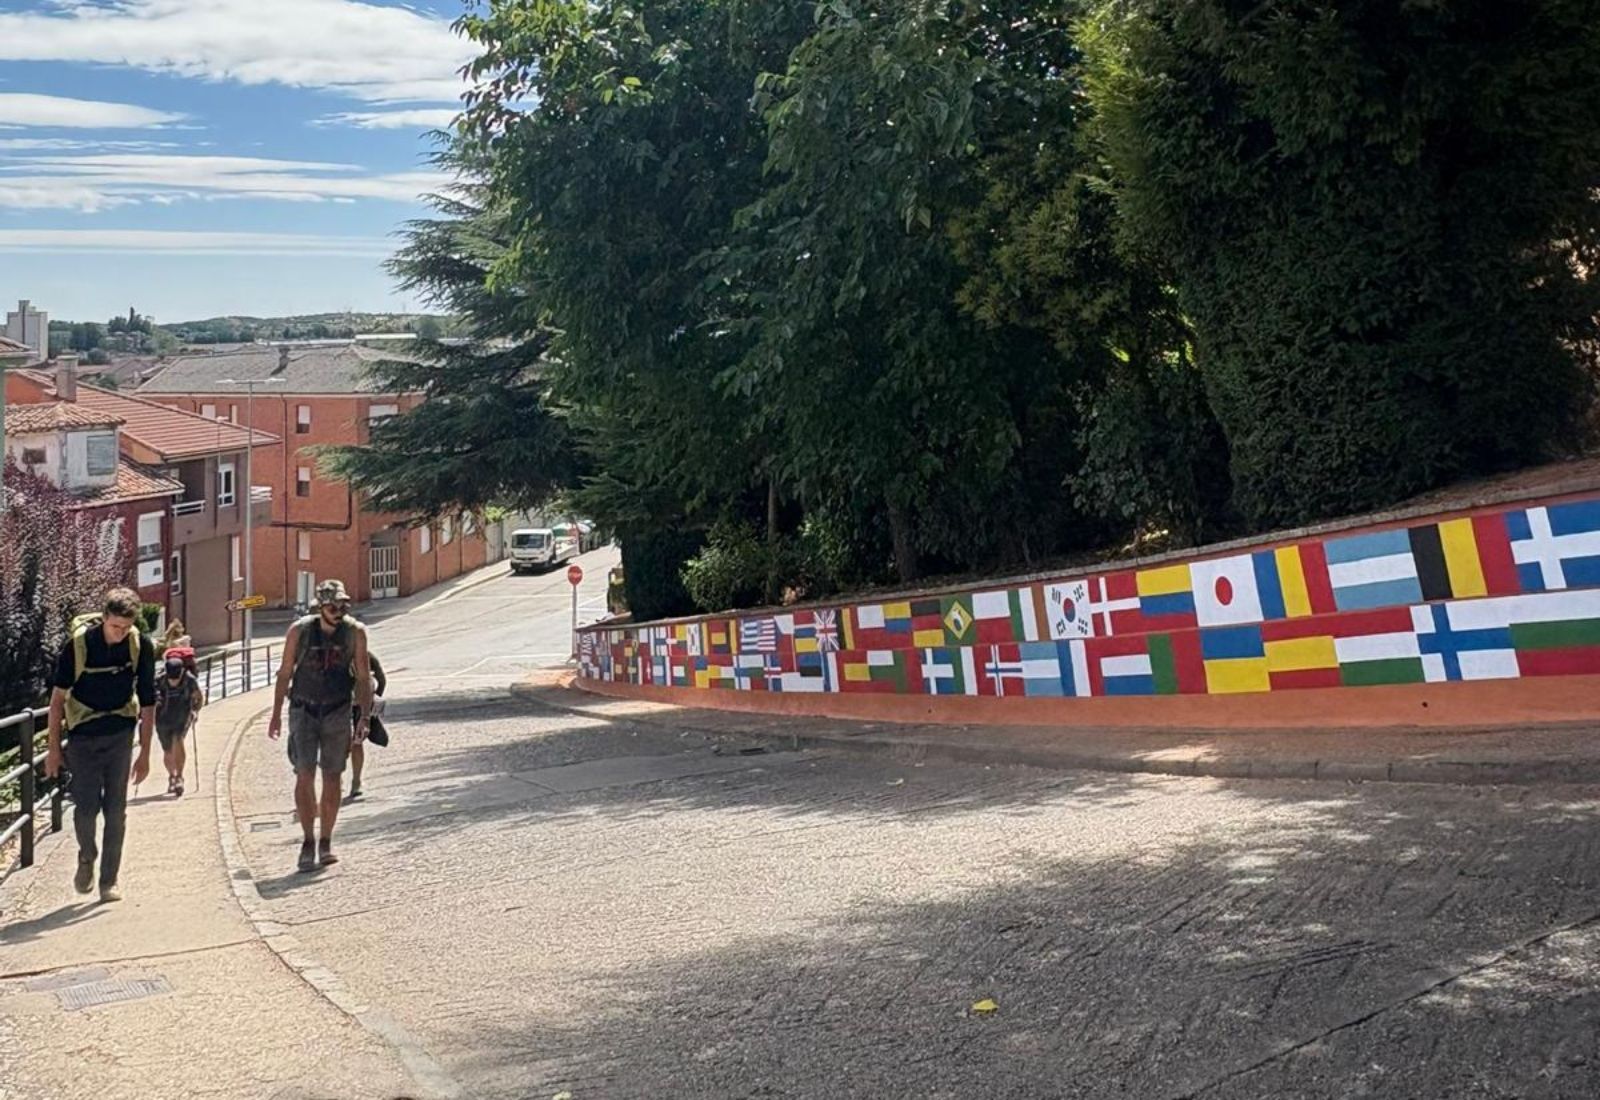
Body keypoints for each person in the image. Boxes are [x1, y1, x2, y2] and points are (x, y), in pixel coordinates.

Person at [42, 587, 156, 904]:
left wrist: (145, 753)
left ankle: (109, 881)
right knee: (86, 809)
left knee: (116, 811)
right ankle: (86, 857)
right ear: (104, 617)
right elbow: (56, 702)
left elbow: (148, 702)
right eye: (114, 626)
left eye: (125, 628)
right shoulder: (78, 647)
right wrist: (54, 750)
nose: (119, 634)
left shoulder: (140, 646)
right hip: (82, 737)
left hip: (121, 734)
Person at [267, 579, 371, 872]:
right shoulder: (299, 632)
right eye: (332, 606)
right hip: (303, 709)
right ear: (320, 606)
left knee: (333, 776)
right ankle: (307, 840)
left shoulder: (355, 634)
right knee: (304, 774)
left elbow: (363, 677)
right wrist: (276, 714)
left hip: (338, 710)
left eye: (342, 606)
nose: (338, 611)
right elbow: (285, 673)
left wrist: (364, 716)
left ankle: (326, 840)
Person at [155, 653, 205, 797]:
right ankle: (172, 775)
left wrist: (195, 710)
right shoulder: (159, 681)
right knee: (167, 750)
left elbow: (198, 697)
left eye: (176, 678)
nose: (174, 682)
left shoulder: (190, 680)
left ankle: (179, 777)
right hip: (162, 719)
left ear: (182, 671)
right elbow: (151, 699)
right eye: (171, 679)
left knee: (178, 741)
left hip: (182, 716)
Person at [348, 652, 386, 801]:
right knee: (342, 742)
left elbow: (381, 679)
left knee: (356, 742)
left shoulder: (366, 656)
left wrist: (375, 698)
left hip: (360, 704)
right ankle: (337, 780)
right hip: (339, 705)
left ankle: (356, 780)